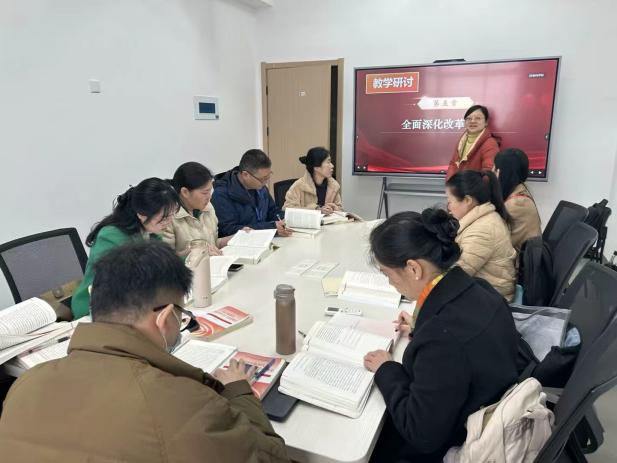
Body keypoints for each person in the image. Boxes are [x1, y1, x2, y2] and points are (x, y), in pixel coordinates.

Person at [0, 241, 290, 462]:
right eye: (181, 315)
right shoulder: (184, 405)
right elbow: (272, 457)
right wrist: (239, 391)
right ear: (165, 318)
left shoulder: (26, 384)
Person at [363, 208, 519, 462]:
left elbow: (421, 434)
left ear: (413, 269)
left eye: (388, 275)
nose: (390, 284)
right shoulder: (479, 288)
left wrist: (387, 369)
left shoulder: (442, 338)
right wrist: (420, 327)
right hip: (488, 404)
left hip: (458, 443)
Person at [71, 178, 180, 319]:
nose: (169, 222)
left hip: (137, 303)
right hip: (98, 309)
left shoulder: (150, 231)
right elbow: (117, 284)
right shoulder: (110, 236)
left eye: (172, 215)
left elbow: (166, 263)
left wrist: (191, 258)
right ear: (141, 214)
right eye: (164, 218)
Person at [445, 170, 517, 300]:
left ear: (467, 200)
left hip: (492, 301)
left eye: (450, 201)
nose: (448, 207)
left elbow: (456, 276)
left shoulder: (482, 230)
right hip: (485, 294)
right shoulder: (484, 219)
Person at [211, 149, 292, 237]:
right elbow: (227, 230)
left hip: (264, 239)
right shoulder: (222, 194)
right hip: (242, 243)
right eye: (263, 179)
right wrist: (271, 227)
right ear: (245, 175)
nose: (266, 182)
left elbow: (272, 211)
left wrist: (285, 220)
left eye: (268, 176)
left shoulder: (260, 187)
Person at [163, 162, 235, 257]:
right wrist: (195, 253)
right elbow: (166, 259)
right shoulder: (167, 217)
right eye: (205, 193)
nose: (209, 197)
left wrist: (235, 238)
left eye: (210, 191)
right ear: (185, 192)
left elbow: (213, 243)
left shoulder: (207, 207)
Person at [493, 148, 542, 251]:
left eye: (494, 169)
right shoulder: (520, 190)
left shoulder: (516, 204)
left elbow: (495, 242)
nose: (491, 172)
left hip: (518, 259)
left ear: (499, 173)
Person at [283, 147, 342, 215]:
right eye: (328, 162)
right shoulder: (299, 186)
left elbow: (340, 209)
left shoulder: (333, 186)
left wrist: (336, 209)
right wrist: (315, 210)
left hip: (329, 222)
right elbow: (287, 210)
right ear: (316, 167)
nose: (332, 166)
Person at [446, 105, 499, 180]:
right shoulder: (462, 140)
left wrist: (470, 186)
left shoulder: (490, 143)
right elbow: (453, 164)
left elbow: (488, 173)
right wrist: (450, 182)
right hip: (458, 185)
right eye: (469, 118)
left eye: (478, 118)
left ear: (486, 122)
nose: (472, 121)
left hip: (475, 186)